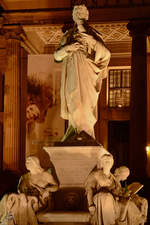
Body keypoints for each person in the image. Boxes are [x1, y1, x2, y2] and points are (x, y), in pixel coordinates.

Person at [54, 5, 111, 140]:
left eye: (82, 12)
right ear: (73, 16)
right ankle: (74, 131)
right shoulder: (68, 35)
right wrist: (68, 47)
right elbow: (57, 56)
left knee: (86, 104)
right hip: (73, 73)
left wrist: (90, 40)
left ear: (87, 15)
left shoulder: (94, 35)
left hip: (88, 74)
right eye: (76, 12)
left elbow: (106, 54)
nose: (79, 14)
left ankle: (85, 132)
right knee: (74, 102)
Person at [85, 154, 147, 225]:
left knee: (129, 203)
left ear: (112, 163)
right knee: (106, 197)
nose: (108, 162)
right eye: (105, 161)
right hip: (100, 198)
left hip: (114, 200)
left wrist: (124, 194)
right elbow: (89, 189)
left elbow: (117, 191)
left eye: (109, 161)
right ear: (101, 163)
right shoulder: (95, 174)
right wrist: (90, 204)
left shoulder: (113, 178)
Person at [0, 156, 59, 225]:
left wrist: (47, 189)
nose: (26, 164)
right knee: (13, 202)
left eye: (28, 162)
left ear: (35, 163)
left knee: (21, 203)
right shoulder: (24, 177)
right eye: (26, 162)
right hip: (25, 198)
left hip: (39, 200)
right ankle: (8, 221)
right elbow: (20, 190)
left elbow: (56, 186)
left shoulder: (45, 175)